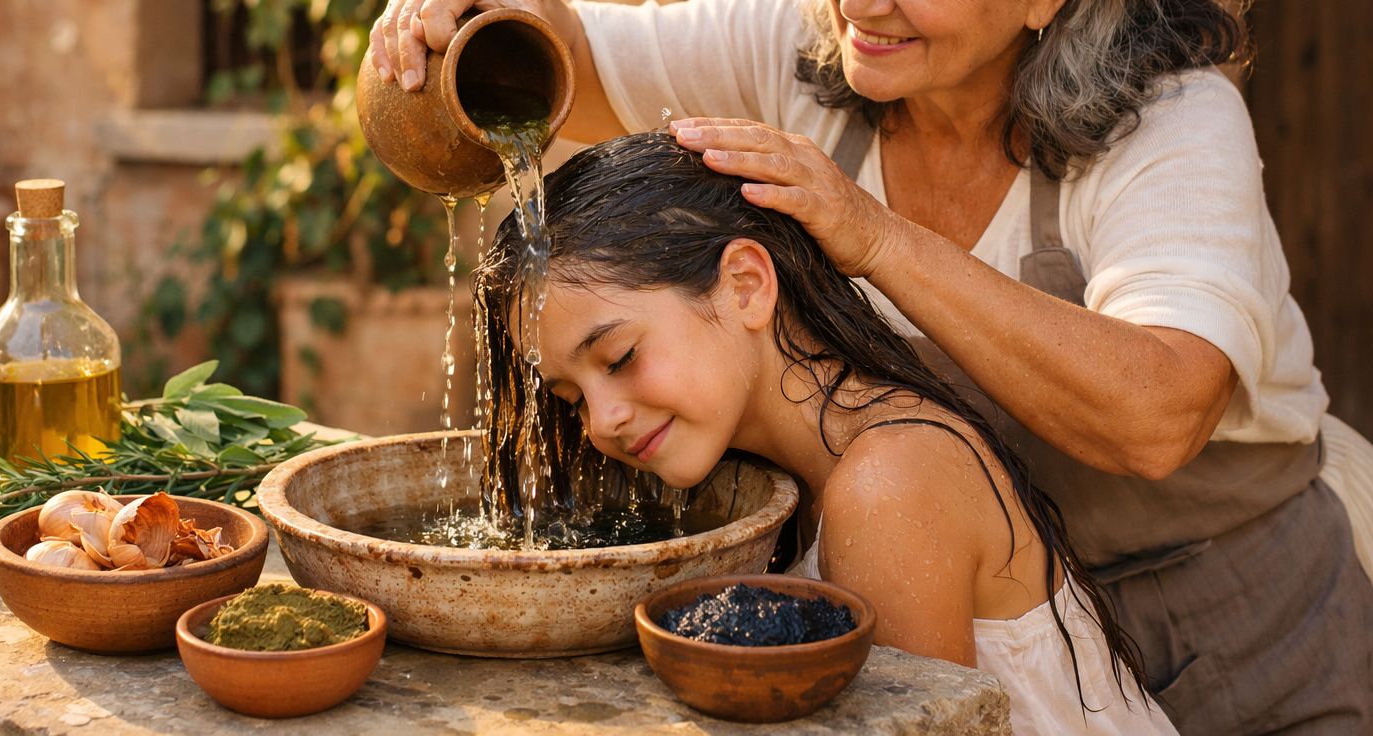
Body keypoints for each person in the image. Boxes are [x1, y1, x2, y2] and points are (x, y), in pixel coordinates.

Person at [370, 0, 1373, 733]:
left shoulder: (1170, 121)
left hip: (1245, 625)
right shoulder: (797, 44)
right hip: (986, 601)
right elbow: (563, 62)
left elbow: (1157, 414)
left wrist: (877, 238)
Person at [477, 131, 1176, 735]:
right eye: (569, 398)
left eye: (620, 358)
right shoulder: (776, 479)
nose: (601, 422)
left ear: (747, 285)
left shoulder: (888, 486)